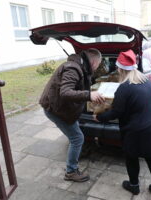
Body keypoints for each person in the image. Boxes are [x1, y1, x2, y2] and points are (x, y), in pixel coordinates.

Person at [94, 50, 151, 200]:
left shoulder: (125, 87)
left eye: (117, 68)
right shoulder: (145, 80)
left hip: (139, 129)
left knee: (131, 156)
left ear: (121, 69)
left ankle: (133, 185)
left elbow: (116, 112)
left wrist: (99, 117)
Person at [40, 48, 105, 182]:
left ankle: (77, 152)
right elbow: (65, 92)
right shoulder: (73, 69)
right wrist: (88, 95)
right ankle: (71, 171)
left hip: (63, 108)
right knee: (77, 138)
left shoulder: (80, 67)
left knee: (75, 135)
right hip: (55, 109)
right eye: (98, 65)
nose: (97, 67)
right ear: (93, 62)